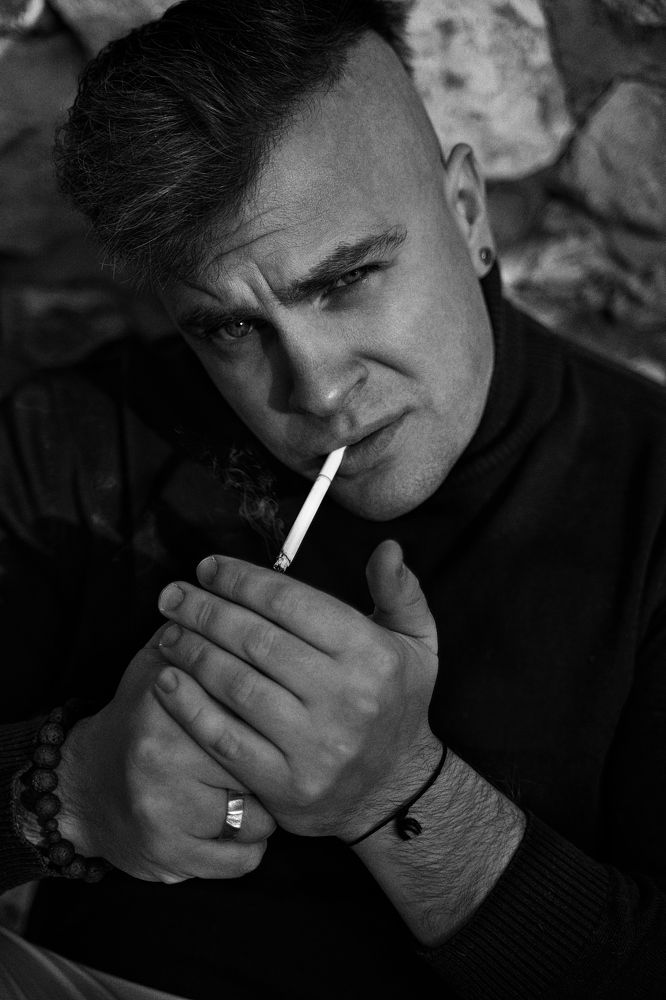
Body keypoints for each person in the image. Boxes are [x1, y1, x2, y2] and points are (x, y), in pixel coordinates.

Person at [1, 0, 665, 997]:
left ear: (469, 216)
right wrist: (72, 791)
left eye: (347, 278)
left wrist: (396, 792)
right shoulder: (79, 440)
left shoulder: (647, 498)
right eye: (231, 329)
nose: (313, 390)